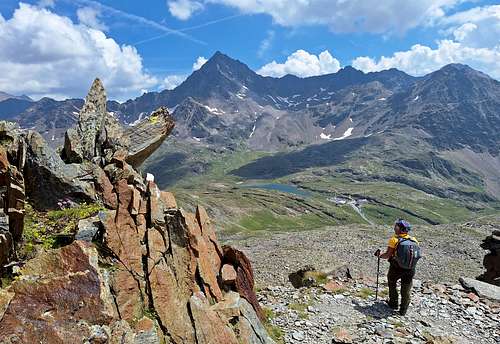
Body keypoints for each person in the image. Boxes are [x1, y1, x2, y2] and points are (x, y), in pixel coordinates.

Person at [375, 219, 419, 316]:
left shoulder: (394, 240)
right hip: (410, 269)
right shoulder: (414, 240)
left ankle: (393, 303)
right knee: (406, 288)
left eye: (396, 226)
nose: (394, 227)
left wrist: (379, 256)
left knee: (392, 283)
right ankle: (403, 310)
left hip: (396, 267)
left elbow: (387, 255)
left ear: (400, 228)